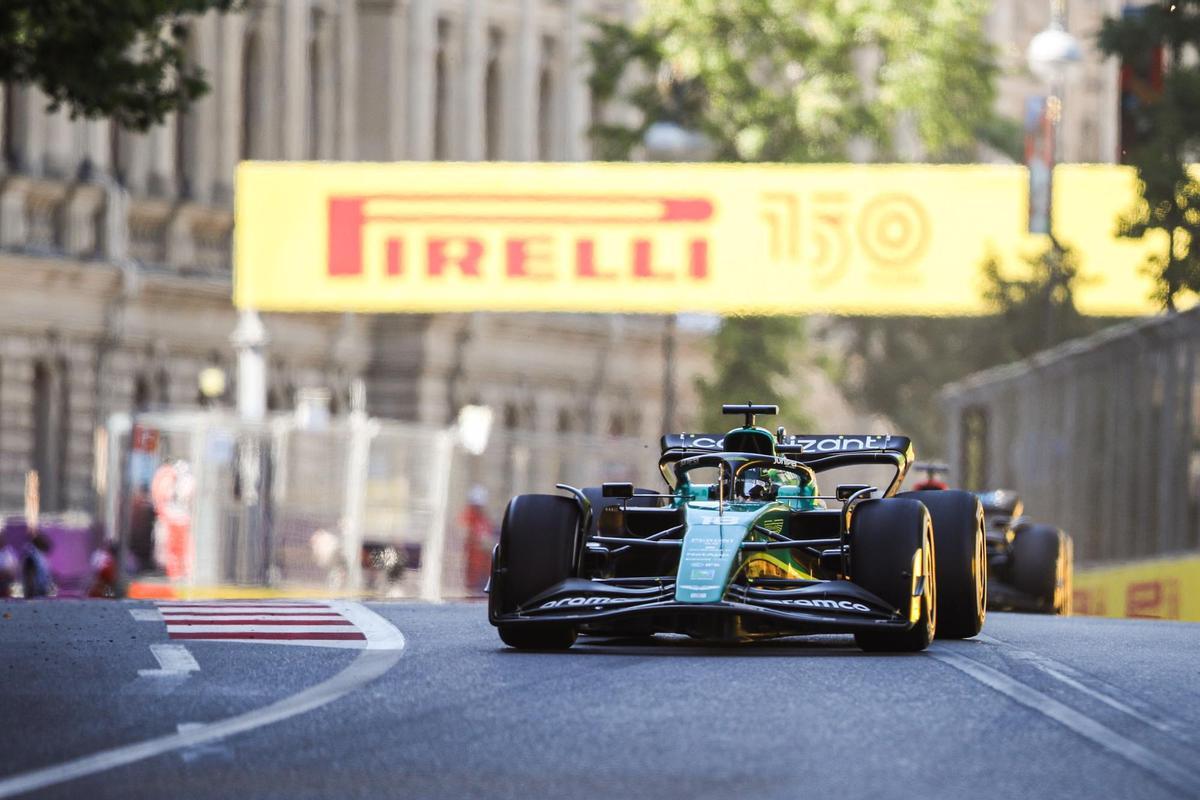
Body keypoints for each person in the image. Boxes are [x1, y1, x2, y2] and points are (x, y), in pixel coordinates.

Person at [460, 486, 496, 596]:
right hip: (472, 565)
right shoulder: (467, 517)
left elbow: (487, 538)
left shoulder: (483, 519)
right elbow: (465, 536)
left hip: (483, 566)